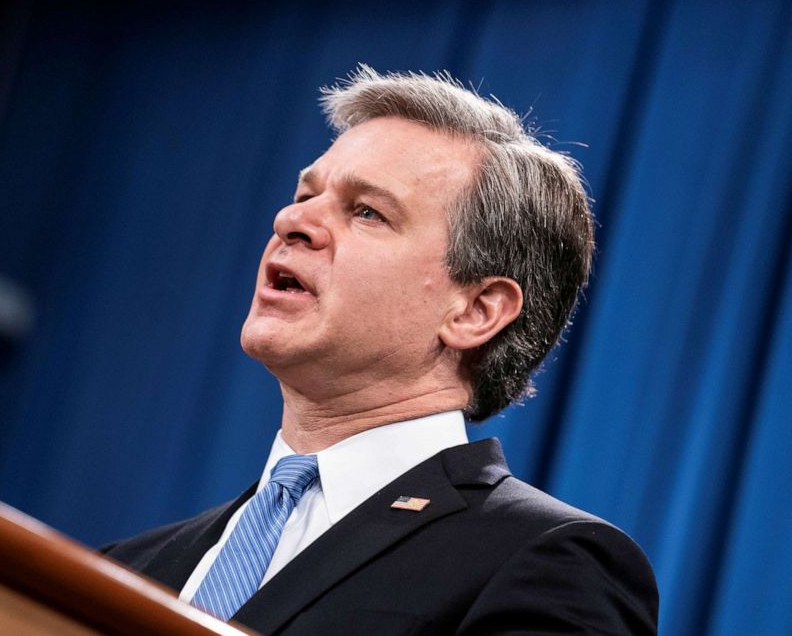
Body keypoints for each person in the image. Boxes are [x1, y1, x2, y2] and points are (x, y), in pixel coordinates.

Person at [101, 66, 658, 635]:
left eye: (367, 211)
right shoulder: (124, 567)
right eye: (305, 195)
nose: (291, 221)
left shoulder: (544, 560)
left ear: (475, 311)